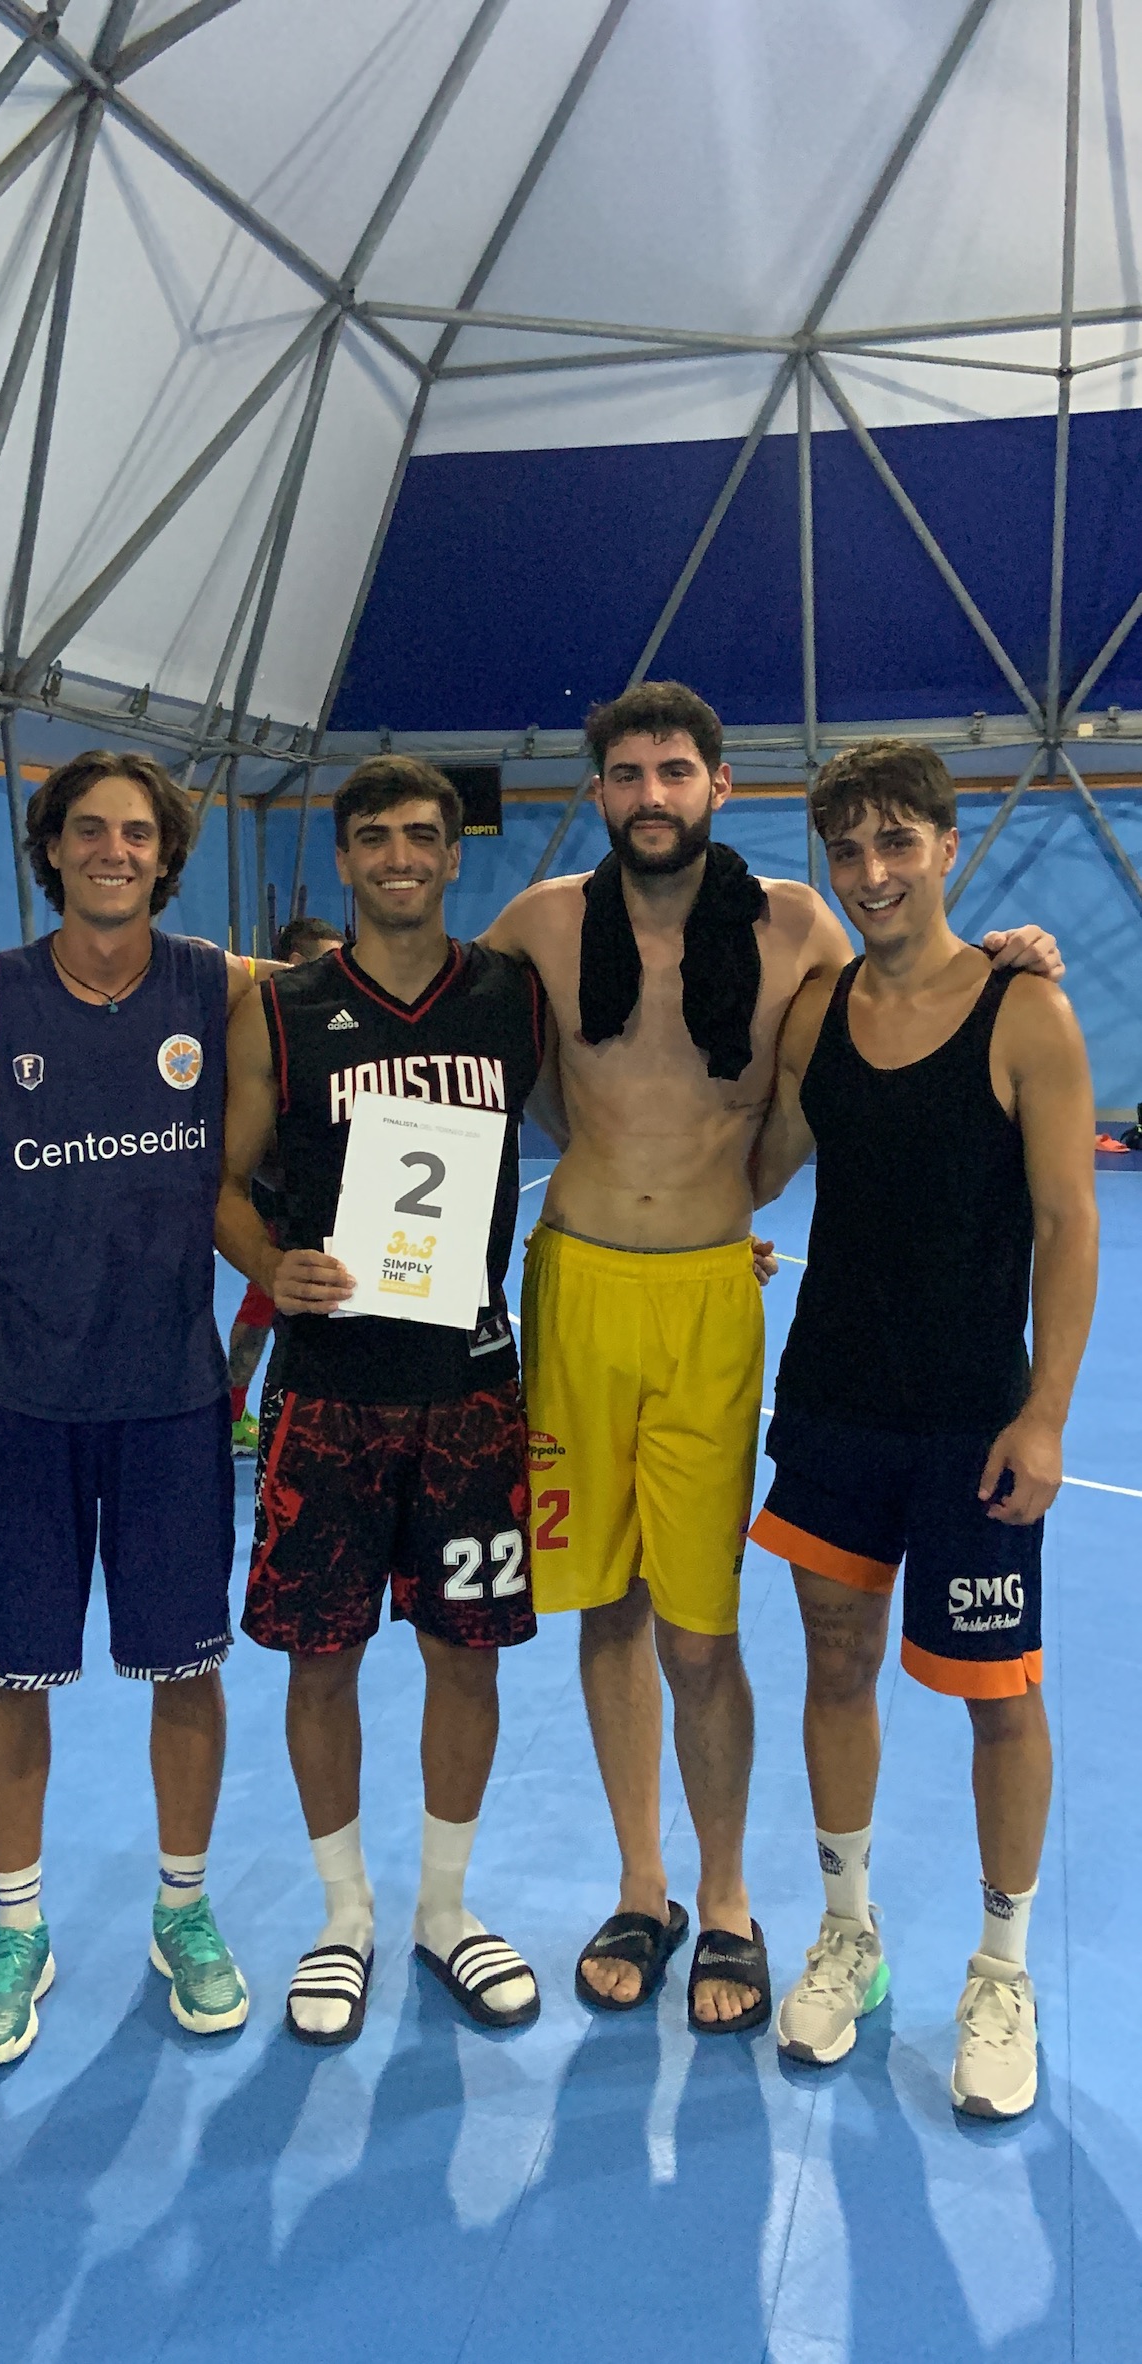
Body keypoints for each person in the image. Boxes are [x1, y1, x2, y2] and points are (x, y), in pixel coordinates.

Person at [482, 681, 1063, 2032]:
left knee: (700, 1625)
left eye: (673, 770)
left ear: (717, 785)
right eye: (626, 773)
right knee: (606, 1608)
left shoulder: (797, 924)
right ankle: (642, 1887)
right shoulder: (539, 923)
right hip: (574, 1283)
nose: (650, 794)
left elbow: (907, 993)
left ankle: (729, 1899)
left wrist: (1011, 949)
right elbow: (415, 1006)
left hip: (707, 1292)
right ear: (598, 791)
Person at [747, 739, 1097, 2117]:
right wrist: (699, 1224)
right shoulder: (816, 1010)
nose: (872, 872)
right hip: (832, 1401)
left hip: (970, 1423)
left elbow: (1069, 1224)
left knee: (998, 1696)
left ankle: (1000, 1972)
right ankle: (848, 1931)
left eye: (897, 843)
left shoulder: (1025, 1011)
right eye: (848, 850)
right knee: (835, 1664)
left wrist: (1045, 1412)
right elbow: (764, 1159)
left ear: (948, 849)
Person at [0, 748, 266, 2066]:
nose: (115, 850)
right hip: (14, 1393)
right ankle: (19, 1930)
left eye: (138, 833)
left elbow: (372, 994)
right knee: (13, 1677)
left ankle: (183, 1909)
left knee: (186, 1666)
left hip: (170, 1394)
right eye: (90, 830)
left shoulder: (220, 988)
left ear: (168, 856)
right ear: (51, 849)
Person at [217, 756, 550, 2045]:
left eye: (422, 835)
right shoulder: (283, 1008)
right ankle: (342, 1914)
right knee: (322, 1657)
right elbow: (222, 1183)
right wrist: (268, 1267)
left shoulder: (511, 993)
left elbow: (626, 1100)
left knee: (467, 1653)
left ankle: (445, 1910)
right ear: (345, 857)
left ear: (454, 855)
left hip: (469, 1394)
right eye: (374, 836)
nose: (399, 856)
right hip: (329, 1396)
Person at [228, 915, 344, 1455]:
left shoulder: (332, 1029)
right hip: (279, 1203)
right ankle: (232, 1415)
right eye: (328, 963)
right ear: (295, 965)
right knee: (264, 1307)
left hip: (331, 1199)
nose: (340, 974)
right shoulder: (260, 1022)